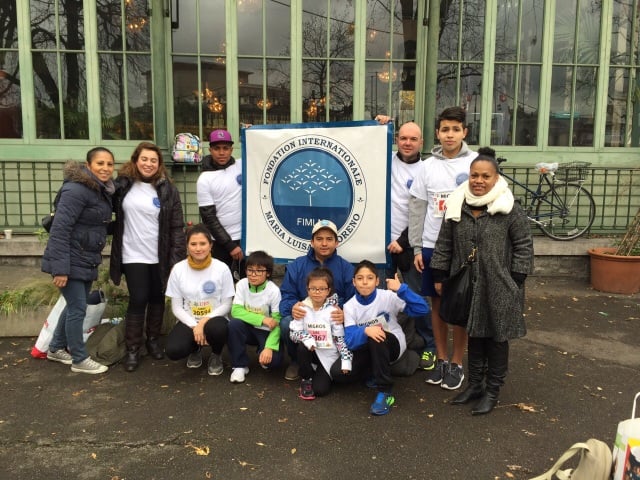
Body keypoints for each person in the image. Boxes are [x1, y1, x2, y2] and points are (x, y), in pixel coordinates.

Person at [430, 147, 533, 415]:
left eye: (485, 176)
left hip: (499, 284)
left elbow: (524, 245)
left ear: (496, 178)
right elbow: (444, 243)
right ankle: (475, 385)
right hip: (468, 285)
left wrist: (516, 278)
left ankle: (492, 391)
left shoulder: (509, 208)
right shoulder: (458, 204)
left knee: (497, 338)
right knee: (474, 333)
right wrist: (439, 274)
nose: (479, 181)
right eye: (474, 175)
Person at [408, 106, 478, 390]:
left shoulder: (475, 163)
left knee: (459, 306)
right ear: (437, 133)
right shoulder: (427, 167)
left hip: (462, 249)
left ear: (464, 132)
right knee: (436, 305)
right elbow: (417, 208)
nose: (450, 135)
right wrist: (417, 247)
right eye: (445, 129)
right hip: (431, 246)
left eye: (456, 130)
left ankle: (458, 362)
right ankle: (441, 359)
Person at [110, 142, 186, 372]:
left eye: (154, 160)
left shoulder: (167, 189)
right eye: (144, 159)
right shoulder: (122, 186)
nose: (148, 164)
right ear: (135, 160)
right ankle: (133, 348)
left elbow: (177, 227)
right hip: (132, 253)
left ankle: (153, 341)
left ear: (159, 164)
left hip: (159, 255)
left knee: (157, 298)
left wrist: (175, 259)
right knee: (138, 298)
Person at [42, 147, 115, 374]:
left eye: (109, 164)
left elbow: (93, 225)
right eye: (100, 163)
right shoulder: (76, 190)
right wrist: (60, 269)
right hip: (71, 258)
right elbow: (60, 229)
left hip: (85, 258)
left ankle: (55, 348)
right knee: (77, 308)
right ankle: (79, 359)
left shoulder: (100, 191)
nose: (105, 168)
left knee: (75, 304)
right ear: (88, 165)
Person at [375, 115, 436, 371]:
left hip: (410, 245)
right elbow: (364, 145)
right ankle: (385, 345)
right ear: (396, 140)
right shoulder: (385, 160)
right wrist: (379, 125)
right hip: (380, 243)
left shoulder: (427, 169)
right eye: (402, 138)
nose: (407, 143)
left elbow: (427, 210)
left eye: (413, 139)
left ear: (421, 142)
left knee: (417, 297)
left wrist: (403, 240)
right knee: (379, 297)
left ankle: (429, 345)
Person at [331, 260, 429, 415]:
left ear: (377, 281)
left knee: (376, 337)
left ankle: (385, 391)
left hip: (392, 344)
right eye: (360, 278)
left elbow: (423, 309)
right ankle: (372, 371)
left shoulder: (388, 296)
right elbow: (349, 340)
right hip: (368, 347)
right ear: (354, 282)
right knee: (338, 373)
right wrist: (365, 330)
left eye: (370, 278)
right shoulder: (349, 306)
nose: (365, 282)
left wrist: (402, 289)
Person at [279, 219, 356, 381]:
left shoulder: (346, 268)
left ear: (337, 242)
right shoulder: (297, 266)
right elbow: (286, 296)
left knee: (351, 323)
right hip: (306, 319)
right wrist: (293, 307)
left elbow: (354, 299)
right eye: (319, 239)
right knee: (286, 323)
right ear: (312, 242)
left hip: (333, 320)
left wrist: (345, 313)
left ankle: (336, 359)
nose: (324, 243)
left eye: (329, 239)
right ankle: (297, 361)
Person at [164, 224, 235, 376]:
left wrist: (203, 322)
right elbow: (176, 307)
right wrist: (194, 325)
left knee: (218, 329)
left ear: (210, 245)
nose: (198, 248)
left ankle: (216, 354)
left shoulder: (222, 268)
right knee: (173, 350)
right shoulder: (178, 269)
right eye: (193, 244)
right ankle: (195, 349)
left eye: (203, 243)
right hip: (189, 319)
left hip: (215, 319)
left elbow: (227, 304)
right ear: (187, 246)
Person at [290, 267, 352, 400]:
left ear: (328, 291)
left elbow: (339, 338)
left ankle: (319, 371)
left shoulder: (333, 311)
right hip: (310, 352)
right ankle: (306, 378)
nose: (317, 292)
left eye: (322, 289)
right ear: (307, 289)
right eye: (313, 288)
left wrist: (346, 359)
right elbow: (293, 334)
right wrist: (306, 338)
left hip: (327, 354)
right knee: (302, 347)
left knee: (320, 390)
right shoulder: (301, 308)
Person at [227, 250, 283, 384]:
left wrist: (269, 347)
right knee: (233, 324)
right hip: (247, 329)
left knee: (273, 362)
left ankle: (262, 349)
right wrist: (262, 319)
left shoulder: (274, 291)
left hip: (266, 331)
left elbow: (277, 322)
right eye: (250, 270)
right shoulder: (242, 284)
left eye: (259, 271)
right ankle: (239, 365)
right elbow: (236, 311)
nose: (253, 274)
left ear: (268, 273)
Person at [196, 129, 243, 275]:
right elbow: (209, 218)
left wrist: (250, 132)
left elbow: (260, 153)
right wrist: (230, 245)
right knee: (220, 281)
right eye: (217, 148)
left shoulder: (241, 166)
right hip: (220, 242)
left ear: (231, 149)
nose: (221, 152)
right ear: (210, 150)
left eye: (225, 148)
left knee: (246, 282)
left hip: (245, 238)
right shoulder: (204, 180)